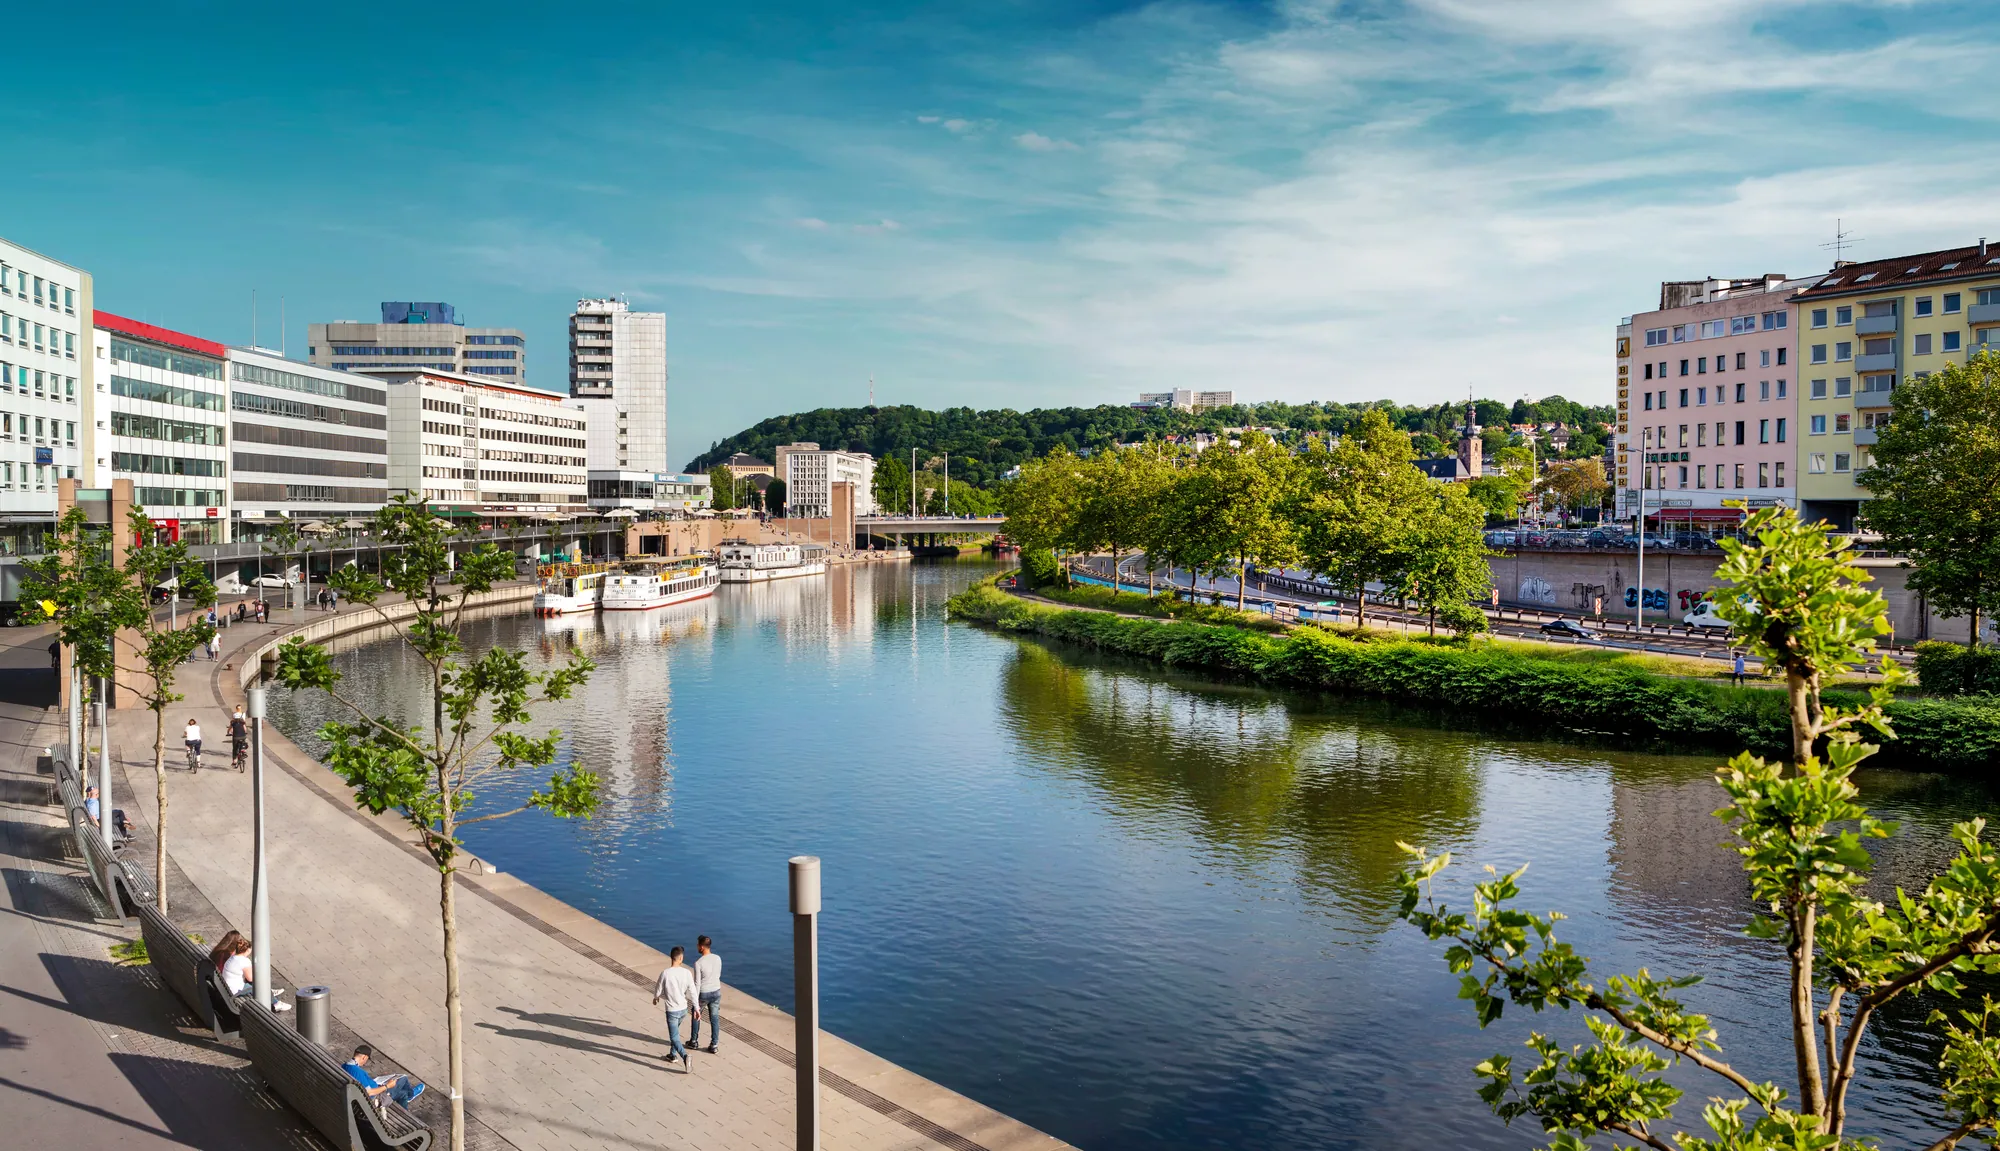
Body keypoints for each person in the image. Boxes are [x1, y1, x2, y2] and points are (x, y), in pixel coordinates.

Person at [211, 931, 292, 1010]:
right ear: (247, 950)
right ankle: (275, 1003)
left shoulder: (232, 957)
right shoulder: (244, 961)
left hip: (226, 986)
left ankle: (269, 992)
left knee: (255, 983)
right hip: (235, 991)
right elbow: (251, 978)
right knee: (259, 984)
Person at [651, 946, 701, 1069]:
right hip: (683, 1009)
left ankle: (684, 1056)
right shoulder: (687, 973)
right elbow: (693, 991)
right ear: (681, 958)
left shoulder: (665, 973)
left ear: (671, 957)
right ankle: (672, 1055)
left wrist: (656, 997)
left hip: (672, 1010)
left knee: (674, 1037)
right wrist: (697, 1008)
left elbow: (658, 988)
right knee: (676, 1034)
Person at [342, 1045, 424, 1107]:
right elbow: (369, 1092)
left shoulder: (344, 1066)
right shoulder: (357, 1072)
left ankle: (407, 1106)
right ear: (364, 1057)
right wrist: (387, 1086)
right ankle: (411, 1095)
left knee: (403, 1094)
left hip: (353, 1095)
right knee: (403, 1078)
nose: (365, 1062)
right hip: (375, 1099)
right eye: (367, 1059)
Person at [691, 935, 722, 1053]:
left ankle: (694, 1041)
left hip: (703, 993)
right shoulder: (718, 958)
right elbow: (718, 975)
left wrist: (695, 1002)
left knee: (696, 1015)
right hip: (716, 991)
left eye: (698, 945)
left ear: (702, 947)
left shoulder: (698, 963)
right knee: (714, 1018)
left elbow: (697, 984)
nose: (697, 947)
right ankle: (714, 1045)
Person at [228, 707, 250, 772]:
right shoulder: (242, 722)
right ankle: (243, 752)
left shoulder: (233, 722)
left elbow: (230, 729)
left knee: (235, 748)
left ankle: (234, 761)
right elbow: (245, 729)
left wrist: (228, 732)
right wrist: (245, 732)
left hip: (236, 737)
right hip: (243, 736)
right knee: (243, 743)